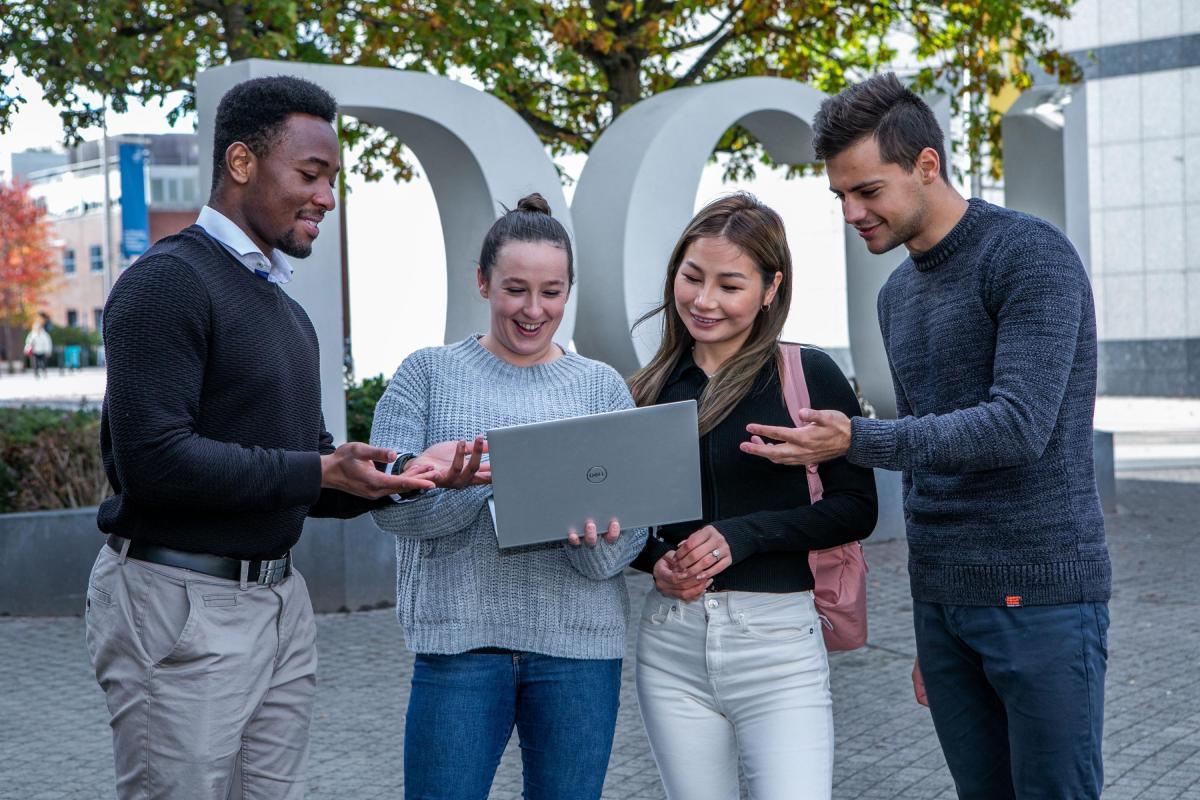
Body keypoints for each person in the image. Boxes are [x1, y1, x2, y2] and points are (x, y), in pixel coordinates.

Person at [85, 75, 479, 800]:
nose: (327, 197)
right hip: (180, 604)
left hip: (278, 603)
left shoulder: (283, 309)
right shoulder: (166, 283)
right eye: (310, 174)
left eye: (332, 178)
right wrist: (319, 471)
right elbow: (154, 462)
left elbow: (307, 465)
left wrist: (396, 477)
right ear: (241, 163)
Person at [741, 73, 1111, 800]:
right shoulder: (897, 294)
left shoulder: (1029, 257)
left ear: (926, 166)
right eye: (839, 196)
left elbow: (1017, 426)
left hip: (1040, 600)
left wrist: (855, 439)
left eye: (867, 191)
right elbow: (925, 464)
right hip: (949, 609)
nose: (851, 212)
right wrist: (933, 624)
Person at [370, 193, 648, 800]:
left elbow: (620, 544)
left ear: (569, 290)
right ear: (481, 281)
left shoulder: (602, 387)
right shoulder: (426, 374)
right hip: (459, 648)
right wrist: (470, 487)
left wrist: (591, 538)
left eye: (551, 291)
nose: (533, 309)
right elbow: (390, 511)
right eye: (514, 289)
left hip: (579, 650)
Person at [626, 193, 878, 800]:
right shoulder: (641, 391)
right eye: (691, 277)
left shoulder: (807, 375)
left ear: (771, 288)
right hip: (669, 647)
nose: (704, 300)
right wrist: (653, 559)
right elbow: (625, 518)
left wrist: (746, 535)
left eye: (730, 285)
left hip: (779, 651)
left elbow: (856, 508)